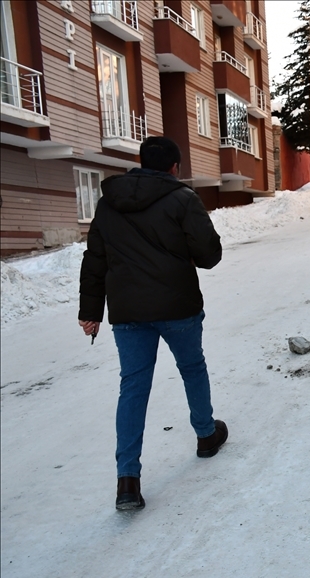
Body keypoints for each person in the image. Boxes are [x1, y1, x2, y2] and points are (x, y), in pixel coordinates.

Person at [78, 136, 228, 511]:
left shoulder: (109, 202)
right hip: (178, 306)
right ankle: (206, 435)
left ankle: (127, 481)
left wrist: (91, 310)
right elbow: (209, 255)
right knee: (192, 367)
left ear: (141, 162)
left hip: (128, 311)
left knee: (133, 387)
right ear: (174, 167)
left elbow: (95, 259)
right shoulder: (183, 199)